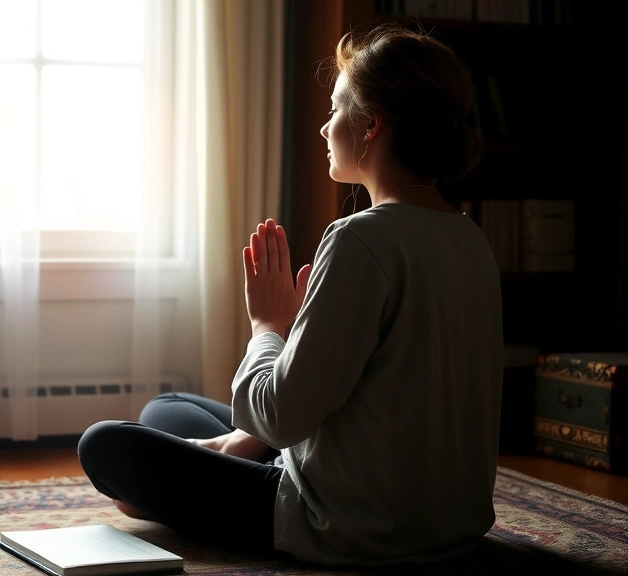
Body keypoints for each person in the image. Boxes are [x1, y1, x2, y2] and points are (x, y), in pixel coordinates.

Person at [77, 21, 504, 567]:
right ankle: (233, 452)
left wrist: (269, 328)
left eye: (334, 111)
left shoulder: (361, 239)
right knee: (169, 408)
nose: (325, 128)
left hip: (350, 527)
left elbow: (280, 418)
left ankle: (209, 481)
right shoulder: (469, 238)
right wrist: (303, 339)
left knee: (105, 443)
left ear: (371, 125)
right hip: (451, 521)